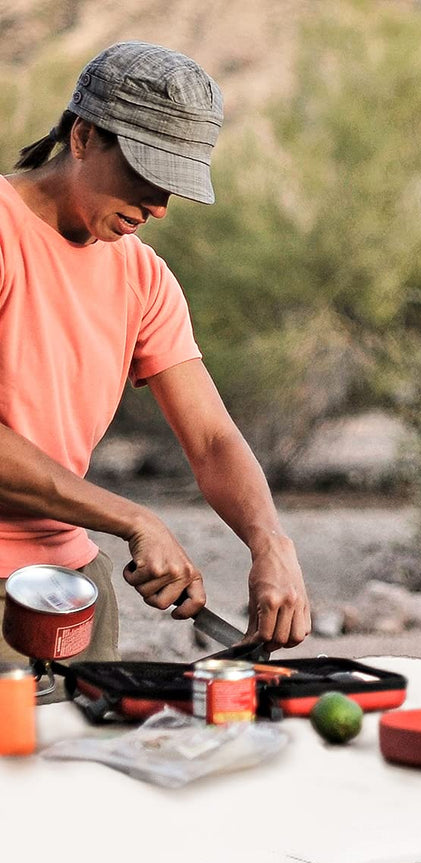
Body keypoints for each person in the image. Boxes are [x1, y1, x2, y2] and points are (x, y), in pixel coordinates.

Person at [0, 40, 310, 674]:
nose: (159, 206)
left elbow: (212, 438)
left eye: (174, 186)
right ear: (84, 136)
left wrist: (269, 542)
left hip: (73, 585)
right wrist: (133, 519)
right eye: (144, 175)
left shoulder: (143, 277)